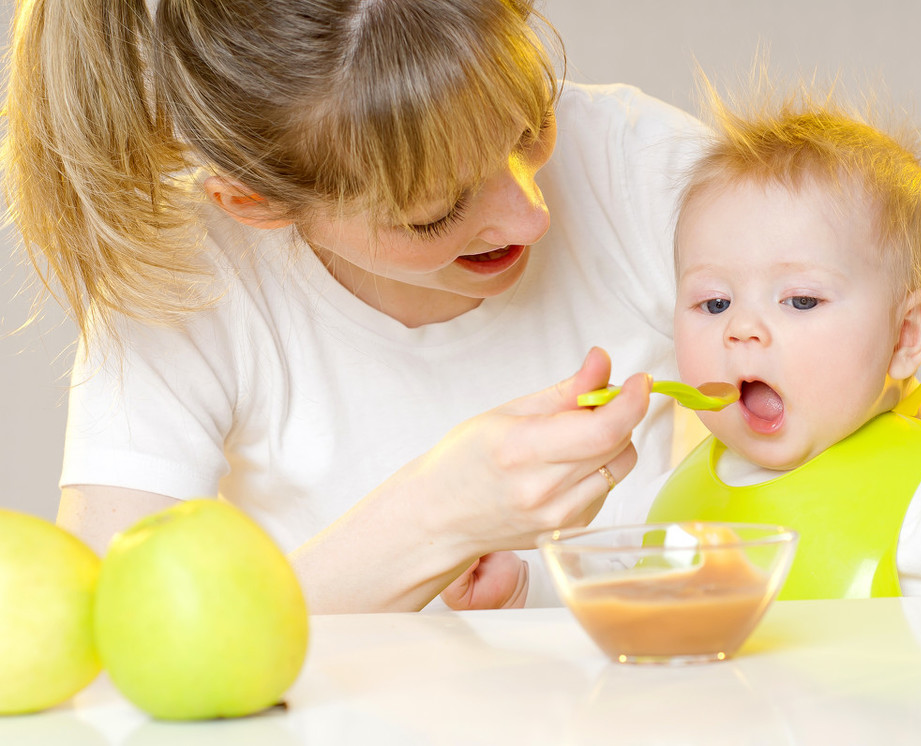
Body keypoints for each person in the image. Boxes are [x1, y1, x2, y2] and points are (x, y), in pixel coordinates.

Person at [1, 0, 709, 612]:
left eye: (530, 131)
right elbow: (118, 649)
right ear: (255, 202)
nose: (531, 217)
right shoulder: (185, 283)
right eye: (436, 213)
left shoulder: (656, 175)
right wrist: (439, 516)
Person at [645, 82, 921, 597]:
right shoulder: (668, 496)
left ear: (905, 334)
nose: (740, 329)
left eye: (801, 301)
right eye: (715, 304)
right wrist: (519, 596)